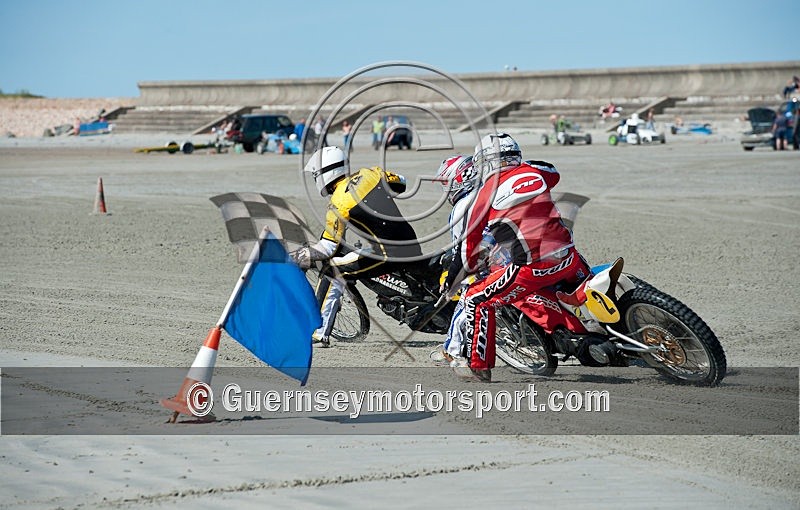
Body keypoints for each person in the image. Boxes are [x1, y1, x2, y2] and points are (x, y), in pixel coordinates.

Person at [451, 133, 592, 382]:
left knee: (476, 300)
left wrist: (459, 272)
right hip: (570, 257)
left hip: (533, 268)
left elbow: (468, 244)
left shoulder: (484, 196)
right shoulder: (536, 173)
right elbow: (553, 173)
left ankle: (478, 366)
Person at [290, 147, 422, 346]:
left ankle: (318, 333)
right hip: (411, 243)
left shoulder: (337, 204)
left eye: (315, 175)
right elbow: (401, 183)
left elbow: (328, 248)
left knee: (332, 269)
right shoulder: (370, 173)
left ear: (325, 173)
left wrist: (300, 255)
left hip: (387, 254)